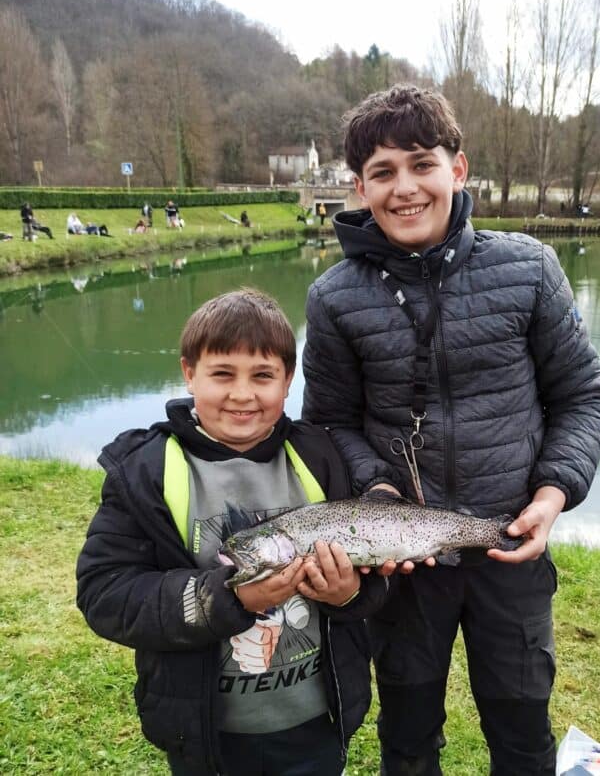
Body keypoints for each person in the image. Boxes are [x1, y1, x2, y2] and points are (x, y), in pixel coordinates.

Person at [302, 84, 600, 775]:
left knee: (523, 730)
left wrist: (554, 492)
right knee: (408, 735)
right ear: (359, 187)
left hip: (511, 550)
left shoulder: (530, 268)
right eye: (382, 173)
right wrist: (375, 487)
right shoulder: (333, 298)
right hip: (402, 565)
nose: (404, 187)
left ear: (458, 170)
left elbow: (582, 396)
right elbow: (328, 423)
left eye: (421, 164)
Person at [76, 288, 387, 775]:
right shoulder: (146, 470)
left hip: (316, 725)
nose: (242, 394)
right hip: (204, 735)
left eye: (263, 376)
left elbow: (370, 581)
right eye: (222, 374)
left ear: (288, 381)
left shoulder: (322, 458)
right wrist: (227, 600)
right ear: (188, 373)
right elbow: (104, 594)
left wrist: (349, 593)